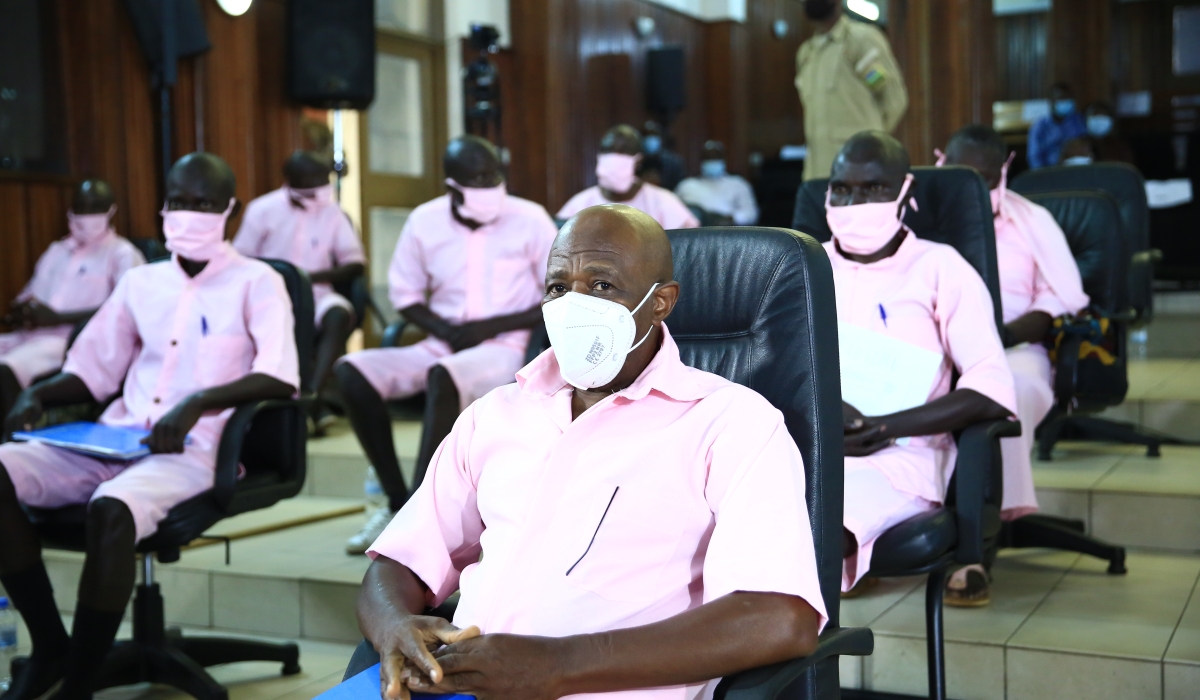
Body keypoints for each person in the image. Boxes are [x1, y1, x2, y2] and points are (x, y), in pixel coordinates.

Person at [352, 204, 826, 700]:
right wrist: (394, 628)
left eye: (602, 286)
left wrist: (559, 666)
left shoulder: (731, 423)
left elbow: (779, 617)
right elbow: (398, 561)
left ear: (661, 301)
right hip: (453, 684)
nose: (573, 304)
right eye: (558, 287)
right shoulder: (496, 414)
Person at [0, 152, 299, 700]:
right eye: (179, 201)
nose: (189, 213)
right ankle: (51, 646)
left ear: (228, 210)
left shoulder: (257, 282)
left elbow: (279, 376)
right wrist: (39, 393)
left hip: (191, 450)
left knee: (112, 511)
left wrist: (197, 403)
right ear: (164, 207)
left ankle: (80, 688)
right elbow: (92, 371)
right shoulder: (141, 282)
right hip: (113, 437)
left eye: (203, 203)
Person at [336, 136, 557, 554]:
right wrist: (445, 328)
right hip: (441, 342)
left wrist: (489, 325)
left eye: (493, 176)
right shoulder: (425, 220)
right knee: (352, 371)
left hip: (509, 346)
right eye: (475, 179)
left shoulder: (530, 219)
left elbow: (558, 292)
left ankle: (422, 521)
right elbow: (406, 294)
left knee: (444, 375)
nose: (488, 185)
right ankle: (398, 500)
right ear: (451, 185)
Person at [823, 132, 1017, 601]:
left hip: (903, 455)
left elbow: (988, 387)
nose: (855, 202)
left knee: (816, 526)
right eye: (842, 189)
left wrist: (885, 426)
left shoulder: (940, 268)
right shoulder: (801, 267)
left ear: (906, 192)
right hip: (806, 449)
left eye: (874, 189)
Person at [941, 124, 1089, 605]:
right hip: (934, 349)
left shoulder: (1033, 221)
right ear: (941, 162)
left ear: (1003, 171)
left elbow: (1057, 301)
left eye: (984, 178)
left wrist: (995, 337)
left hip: (1013, 349)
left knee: (1011, 394)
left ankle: (975, 549)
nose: (974, 188)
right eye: (962, 175)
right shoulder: (919, 216)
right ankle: (879, 535)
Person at [233, 150, 366, 431]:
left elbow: (355, 263)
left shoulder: (333, 213)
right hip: (270, 294)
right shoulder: (262, 210)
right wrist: (287, 279)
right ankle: (297, 404)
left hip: (318, 293)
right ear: (292, 181)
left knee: (338, 315)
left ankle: (312, 398)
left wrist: (308, 278)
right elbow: (240, 260)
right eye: (313, 181)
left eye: (324, 180)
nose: (321, 187)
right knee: (287, 320)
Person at [0, 180, 144, 420]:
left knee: (7, 370)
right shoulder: (56, 250)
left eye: (95, 208)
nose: (86, 215)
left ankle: (11, 440)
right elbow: (28, 294)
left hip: (69, 341)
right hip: (27, 334)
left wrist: (57, 318)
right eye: (80, 207)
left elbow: (125, 311)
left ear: (110, 210)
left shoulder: (121, 254)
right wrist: (21, 311)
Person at [795, 0, 908, 182]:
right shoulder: (807, 53)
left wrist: (872, 146)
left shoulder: (859, 41)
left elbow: (893, 98)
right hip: (817, 176)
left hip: (860, 177)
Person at [557, 125, 699, 230]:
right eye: (609, 151)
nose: (614, 158)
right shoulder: (579, 204)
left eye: (623, 152)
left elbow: (689, 250)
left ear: (638, 161)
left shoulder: (663, 202)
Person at [675, 140, 759, 226]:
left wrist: (731, 219)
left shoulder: (739, 184)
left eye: (716, 157)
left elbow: (750, 213)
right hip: (695, 233)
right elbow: (674, 213)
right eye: (708, 157)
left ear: (724, 159)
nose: (712, 161)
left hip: (729, 231)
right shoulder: (686, 186)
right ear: (701, 160)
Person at [1027, 83, 1087, 169]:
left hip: (1076, 169)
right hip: (1049, 171)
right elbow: (1034, 157)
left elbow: (1086, 147)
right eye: (1062, 99)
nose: (1066, 102)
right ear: (1051, 101)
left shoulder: (1079, 121)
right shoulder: (1040, 126)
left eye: (1069, 99)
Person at [639, 120, 685, 190]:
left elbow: (680, 187)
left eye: (654, 135)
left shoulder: (673, 163)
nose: (650, 139)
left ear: (660, 138)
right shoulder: (636, 161)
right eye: (647, 135)